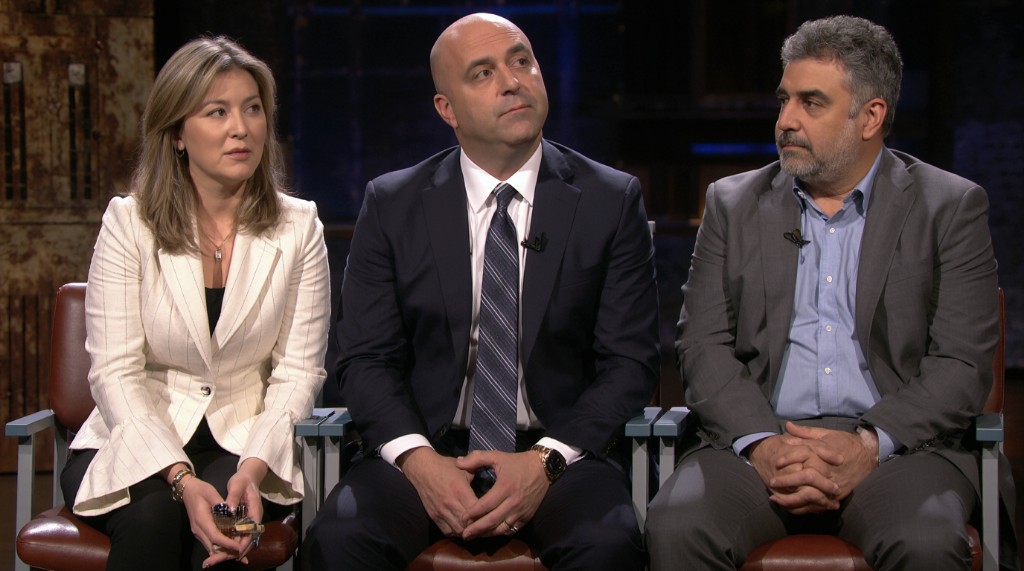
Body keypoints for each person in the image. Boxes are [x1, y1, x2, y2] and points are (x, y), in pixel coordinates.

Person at [645, 14, 1018, 570]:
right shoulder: (731, 203)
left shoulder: (950, 207)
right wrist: (764, 444)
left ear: (870, 116)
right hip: (758, 440)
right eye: (784, 100)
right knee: (677, 525)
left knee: (924, 541)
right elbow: (702, 345)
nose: (786, 121)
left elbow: (961, 363)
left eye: (811, 103)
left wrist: (869, 445)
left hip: (899, 450)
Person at [302, 12, 659, 571]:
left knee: (607, 547)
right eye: (483, 72)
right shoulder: (393, 204)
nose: (512, 81)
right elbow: (365, 360)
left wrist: (545, 463)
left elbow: (631, 364)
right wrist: (419, 461)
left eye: (522, 61)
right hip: (425, 449)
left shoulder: (610, 200)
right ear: (447, 109)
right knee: (339, 541)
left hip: (560, 451)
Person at [60, 36, 331, 570]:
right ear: (178, 133)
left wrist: (253, 469)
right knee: (153, 519)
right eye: (218, 111)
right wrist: (181, 479)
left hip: (245, 442)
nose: (242, 127)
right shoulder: (128, 224)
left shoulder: (300, 227)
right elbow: (115, 372)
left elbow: (299, 372)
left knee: (230, 532)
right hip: (135, 436)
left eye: (253, 109)